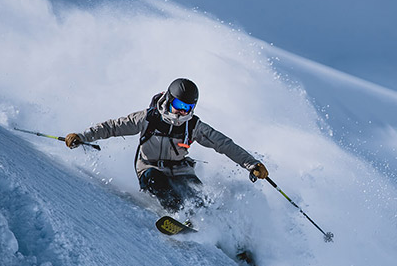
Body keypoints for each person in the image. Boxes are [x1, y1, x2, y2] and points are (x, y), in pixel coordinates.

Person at [65, 78, 269, 213]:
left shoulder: (193, 125)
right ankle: (178, 216)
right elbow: (112, 127)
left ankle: (229, 242)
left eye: (188, 107)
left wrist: (251, 164)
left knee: (199, 197)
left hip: (180, 169)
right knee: (159, 184)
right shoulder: (148, 118)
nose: (182, 111)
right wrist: (82, 136)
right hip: (150, 167)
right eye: (179, 106)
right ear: (169, 100)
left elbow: (223, 144)